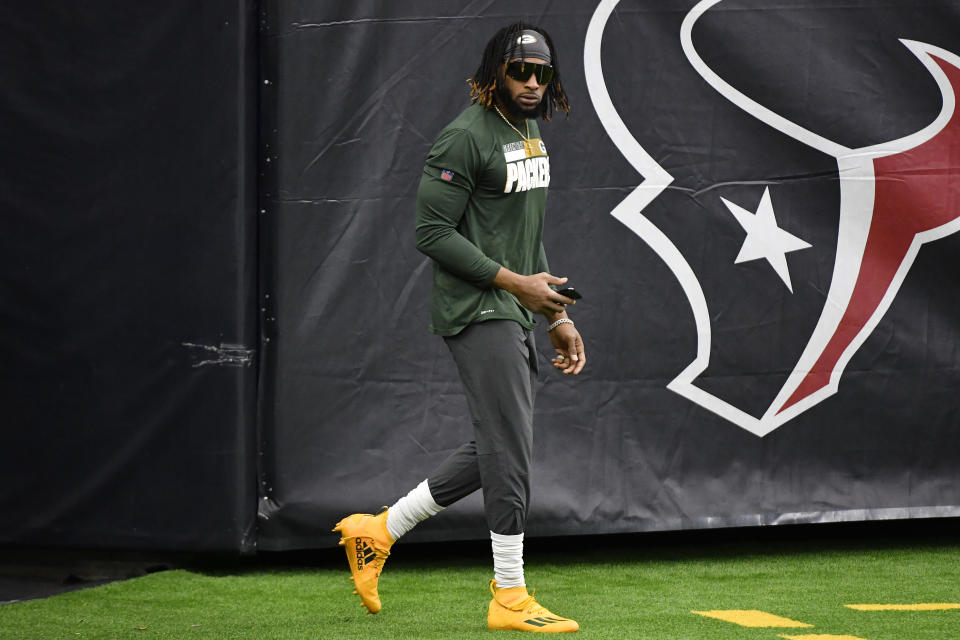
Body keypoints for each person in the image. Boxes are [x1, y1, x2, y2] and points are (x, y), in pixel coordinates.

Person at [334, 22, 584, 633]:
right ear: (495, 71)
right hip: (476, 310)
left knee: (499, 446)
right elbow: (431, 235)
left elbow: (522, 234)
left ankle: (378, 532)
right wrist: (518, 287)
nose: (531, 82)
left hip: (512, 306)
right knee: (511, 452)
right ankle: (509, 595)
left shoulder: (527, 132)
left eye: (541, 72)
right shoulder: (462, 137)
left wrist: (554, 311)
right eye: (520, 70)